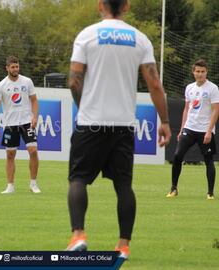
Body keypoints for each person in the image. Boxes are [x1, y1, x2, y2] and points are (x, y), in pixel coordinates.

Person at [65, 0, 171, 258]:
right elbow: (155, 84)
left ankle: (79, 235)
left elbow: (73, 81)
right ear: (127, 6)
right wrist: (165, 121)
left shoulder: (86, 35)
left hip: (91, 122)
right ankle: (123, 245)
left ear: (100, 5)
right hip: (123, 125)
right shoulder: (140, 39)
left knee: (78, 179)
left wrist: (84, 106)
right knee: (124, 185)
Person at [167, 59, 219, 200]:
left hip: (204, 131)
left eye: (202, 71)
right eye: (197, 71)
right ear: (193, 72)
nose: (200, 74)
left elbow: (216, 111)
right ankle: (173, 189)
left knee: (208, 160)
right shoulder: (189, 87)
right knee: (177, 156)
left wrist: (209, 131)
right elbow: (186, 109)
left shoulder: (213, 88)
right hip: (189, 128)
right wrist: (182, 128)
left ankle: (210, 193)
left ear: (206, 72)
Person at [0, 55, 41, 194]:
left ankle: (33, 184)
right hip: (10, 125)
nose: (15, 69)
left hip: (27, 123)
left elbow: (34, 101)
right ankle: (10, 186)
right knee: (10, 155)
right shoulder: (1, 86)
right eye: (13, 67)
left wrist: (35, 117)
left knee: (33, 151)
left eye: (17, 66)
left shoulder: (27, 81)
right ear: (7, 68)